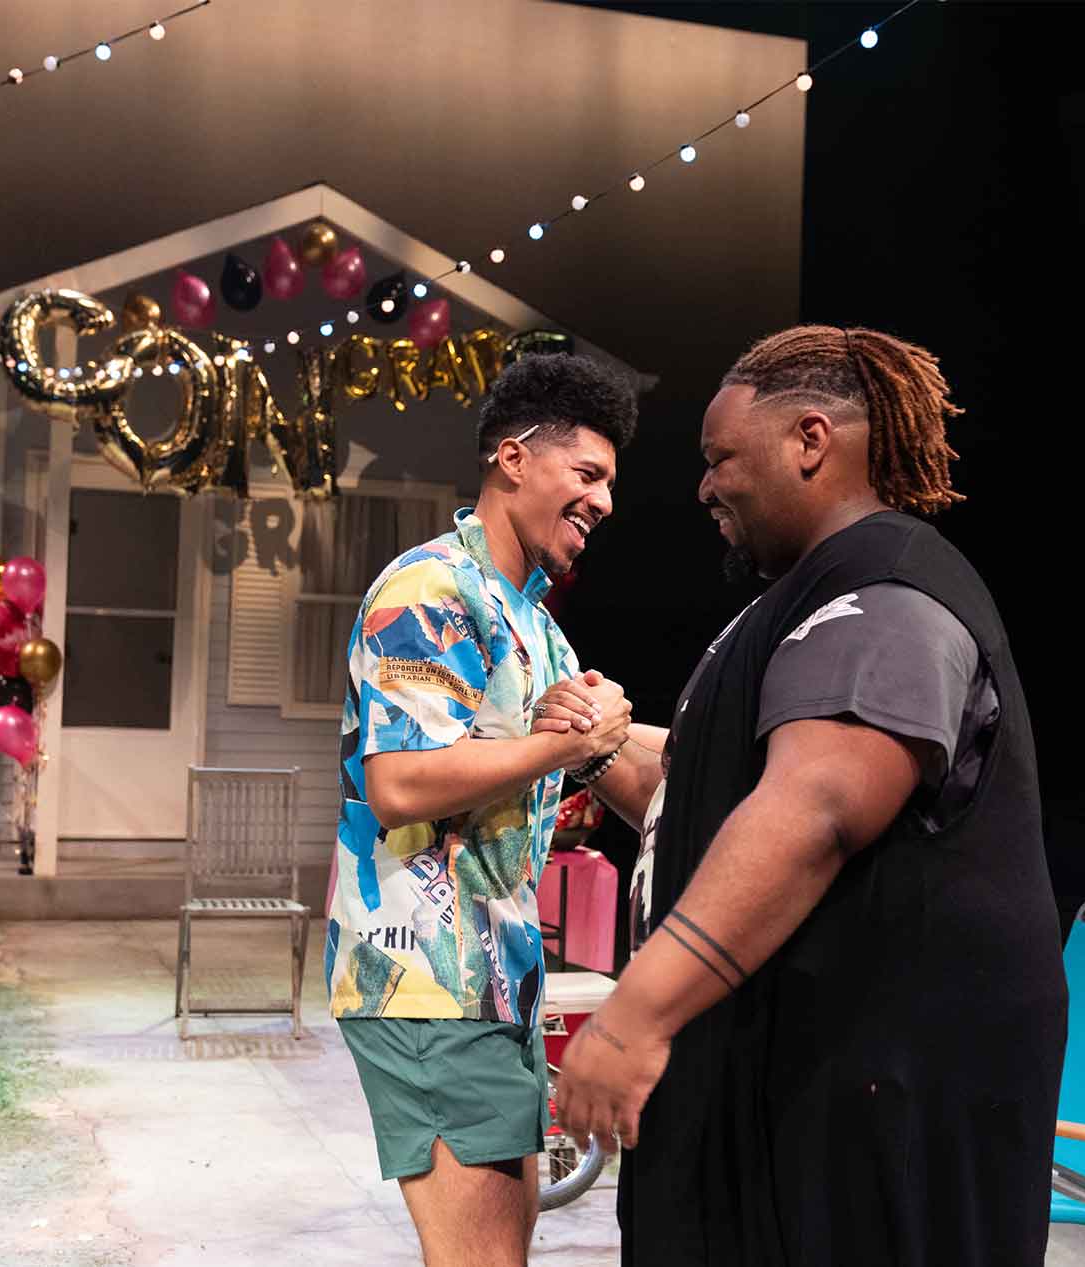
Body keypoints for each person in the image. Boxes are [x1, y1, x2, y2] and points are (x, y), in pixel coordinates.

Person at [554, 325, 1067, 1265]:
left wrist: (636, 1012)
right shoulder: (803, 600)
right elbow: (700, 792)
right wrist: (595, 746)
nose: (704, 486)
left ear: (810, 440)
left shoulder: (889, 592)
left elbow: (815, 807)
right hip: (786, 1101)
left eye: (720, 458)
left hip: (870, 1119)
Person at [325, 352, 639, 1267]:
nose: (604, 502)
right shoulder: (430, 590)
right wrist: (562, 748)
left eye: (609, 483)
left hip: (496, 985)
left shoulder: (535, 624)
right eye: (587, 474)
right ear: (513, 458)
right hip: (425, 978)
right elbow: (398, 783)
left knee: (504, 1247)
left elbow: (600, 754)